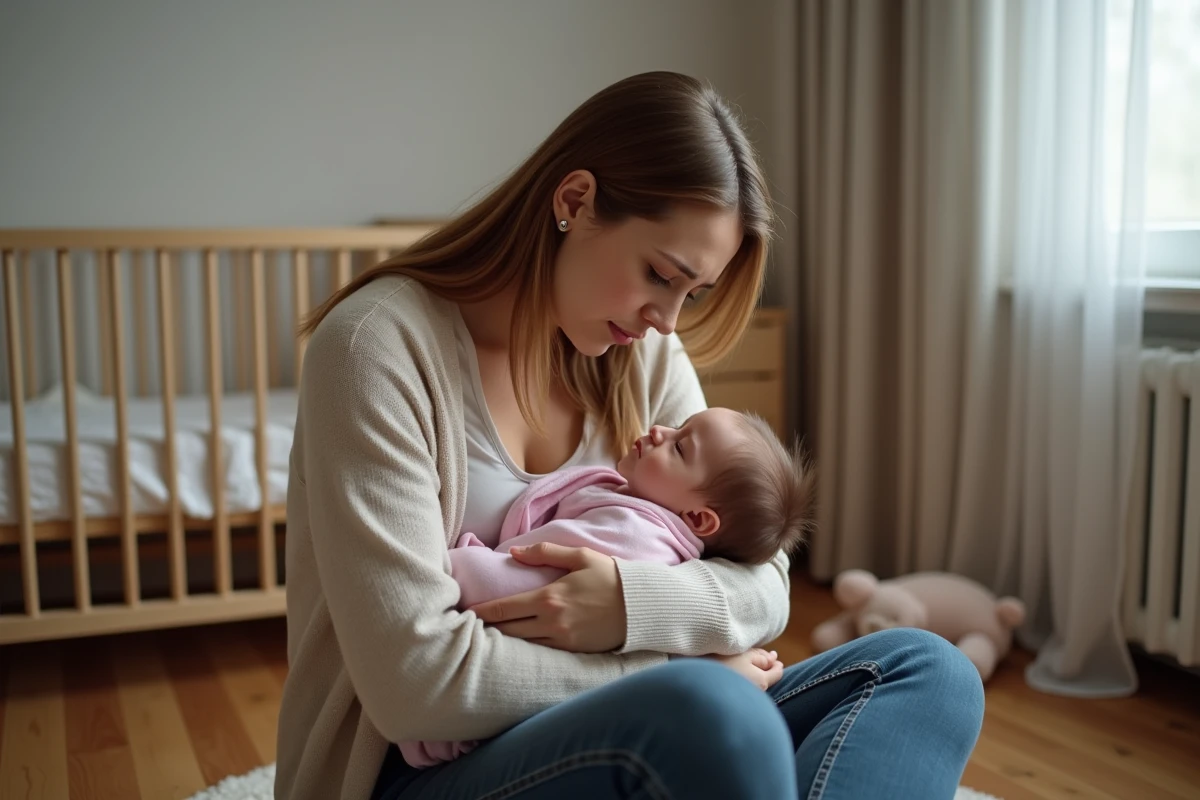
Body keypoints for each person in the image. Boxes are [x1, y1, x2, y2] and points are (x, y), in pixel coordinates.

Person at [275, 71, 984, 800]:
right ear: (574, 202)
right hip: (413, 768)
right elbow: (416, 687)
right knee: (710, 714)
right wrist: (672, 666)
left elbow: (766, 580)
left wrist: (627, 606)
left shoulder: (639, 355)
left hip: (604, 723)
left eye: (691, 293)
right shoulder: (374, 349)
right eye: (659, 274)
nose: (668, 321)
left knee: (930, 672)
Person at [401, 407, 815, 766]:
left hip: (487, 723)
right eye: (678, 426)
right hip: (454, 698)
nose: (660, 430)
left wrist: (455, 564)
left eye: (679, 447)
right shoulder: (633, 505)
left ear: (698, 519)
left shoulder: (635, 537)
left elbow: (511, 587)